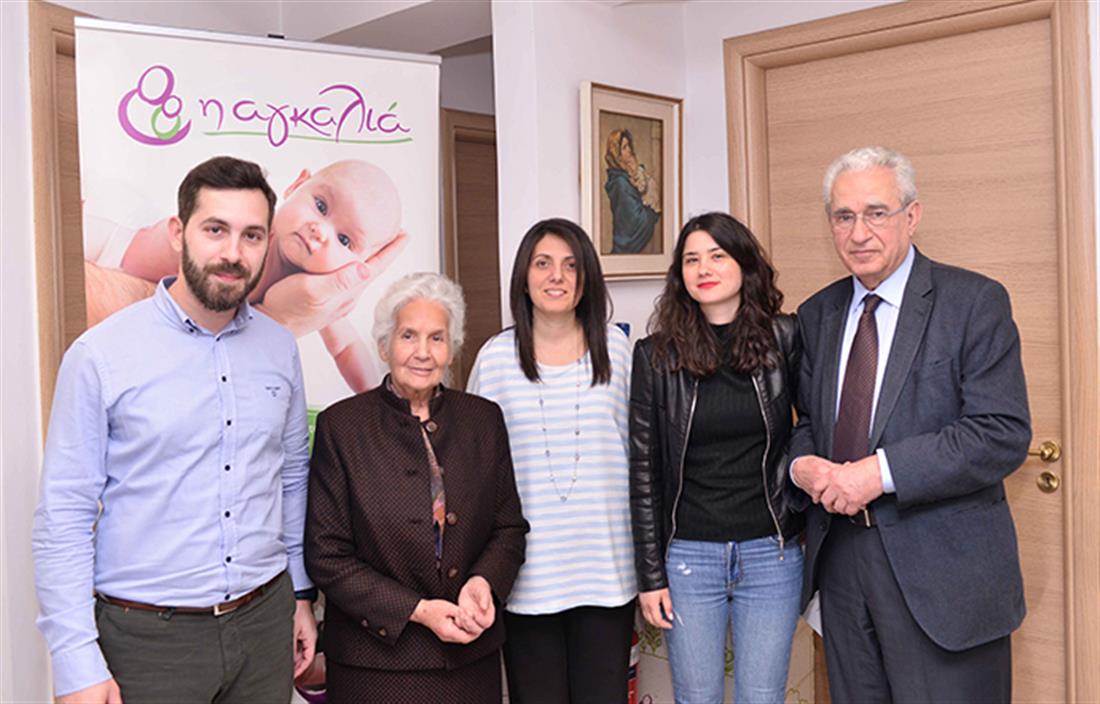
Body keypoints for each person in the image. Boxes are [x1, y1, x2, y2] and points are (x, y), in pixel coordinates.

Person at [32, 155, 318, 704]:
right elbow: (64, 515)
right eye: (215, 230)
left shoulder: (280, 348)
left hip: (264, 625)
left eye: (252, 235)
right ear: (177, 232)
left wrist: (301, 594)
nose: (233, 253)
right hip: (147, 642)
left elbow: (290, 477)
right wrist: (75, 661)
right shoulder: (100, 354)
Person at [790, 146, 1031, 703]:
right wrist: (802, 465)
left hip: (944, 571)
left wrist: (878, 473)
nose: (859, 233)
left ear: (912, 215)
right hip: (842, 565)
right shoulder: (817, 314)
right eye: (844, 216)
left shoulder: (973, 302)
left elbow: (1001, 431)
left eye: (876, 213)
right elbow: (808, 422)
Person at [305, 272, 528, 703]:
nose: (423, 352)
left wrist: (484, 582)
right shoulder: (342, 427)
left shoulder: (484, 421)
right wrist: (418, 611)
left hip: (469, 658)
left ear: (451, 348)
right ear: (384, 345)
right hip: (375, 666)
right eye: (408, 336)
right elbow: (327, 555)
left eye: (436, 338)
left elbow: (508, 529)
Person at [629, 212, 804, 704]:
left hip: (771, 554)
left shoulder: (785, 338)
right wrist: (650, 576)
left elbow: (812, 430)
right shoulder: (655, 356)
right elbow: (643, 472)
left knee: (762, 697)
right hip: (689, 557)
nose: (703, 268)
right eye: (691, 259)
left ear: (744, 265)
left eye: (717, 255)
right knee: (697, 697)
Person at [467, 218, 636, 703]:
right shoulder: (496, 358)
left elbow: (643, 457)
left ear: (587, 279)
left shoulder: (618, 350)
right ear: (524, 276)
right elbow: (475, 471)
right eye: (543, 263)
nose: (556, 276)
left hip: (606, 570)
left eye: (570, 265)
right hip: (528, 576)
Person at [85, 159, 408, 392]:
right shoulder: (252, 227)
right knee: (73, 236)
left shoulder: (311, 296)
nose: (320, 231)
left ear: (357, 264)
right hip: (116, 247)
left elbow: (346, 347)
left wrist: (375, 397)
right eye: (321, 206)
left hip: (139, 311)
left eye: (344, 240)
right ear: (297, 184)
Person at [604, 129, 660, 254]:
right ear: (616, 153)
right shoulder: (620, 182)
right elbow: (634, 221)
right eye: (624, 147)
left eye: (629, 145)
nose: (629, 150)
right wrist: (652, 213)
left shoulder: (629, 175)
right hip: (625, 247)